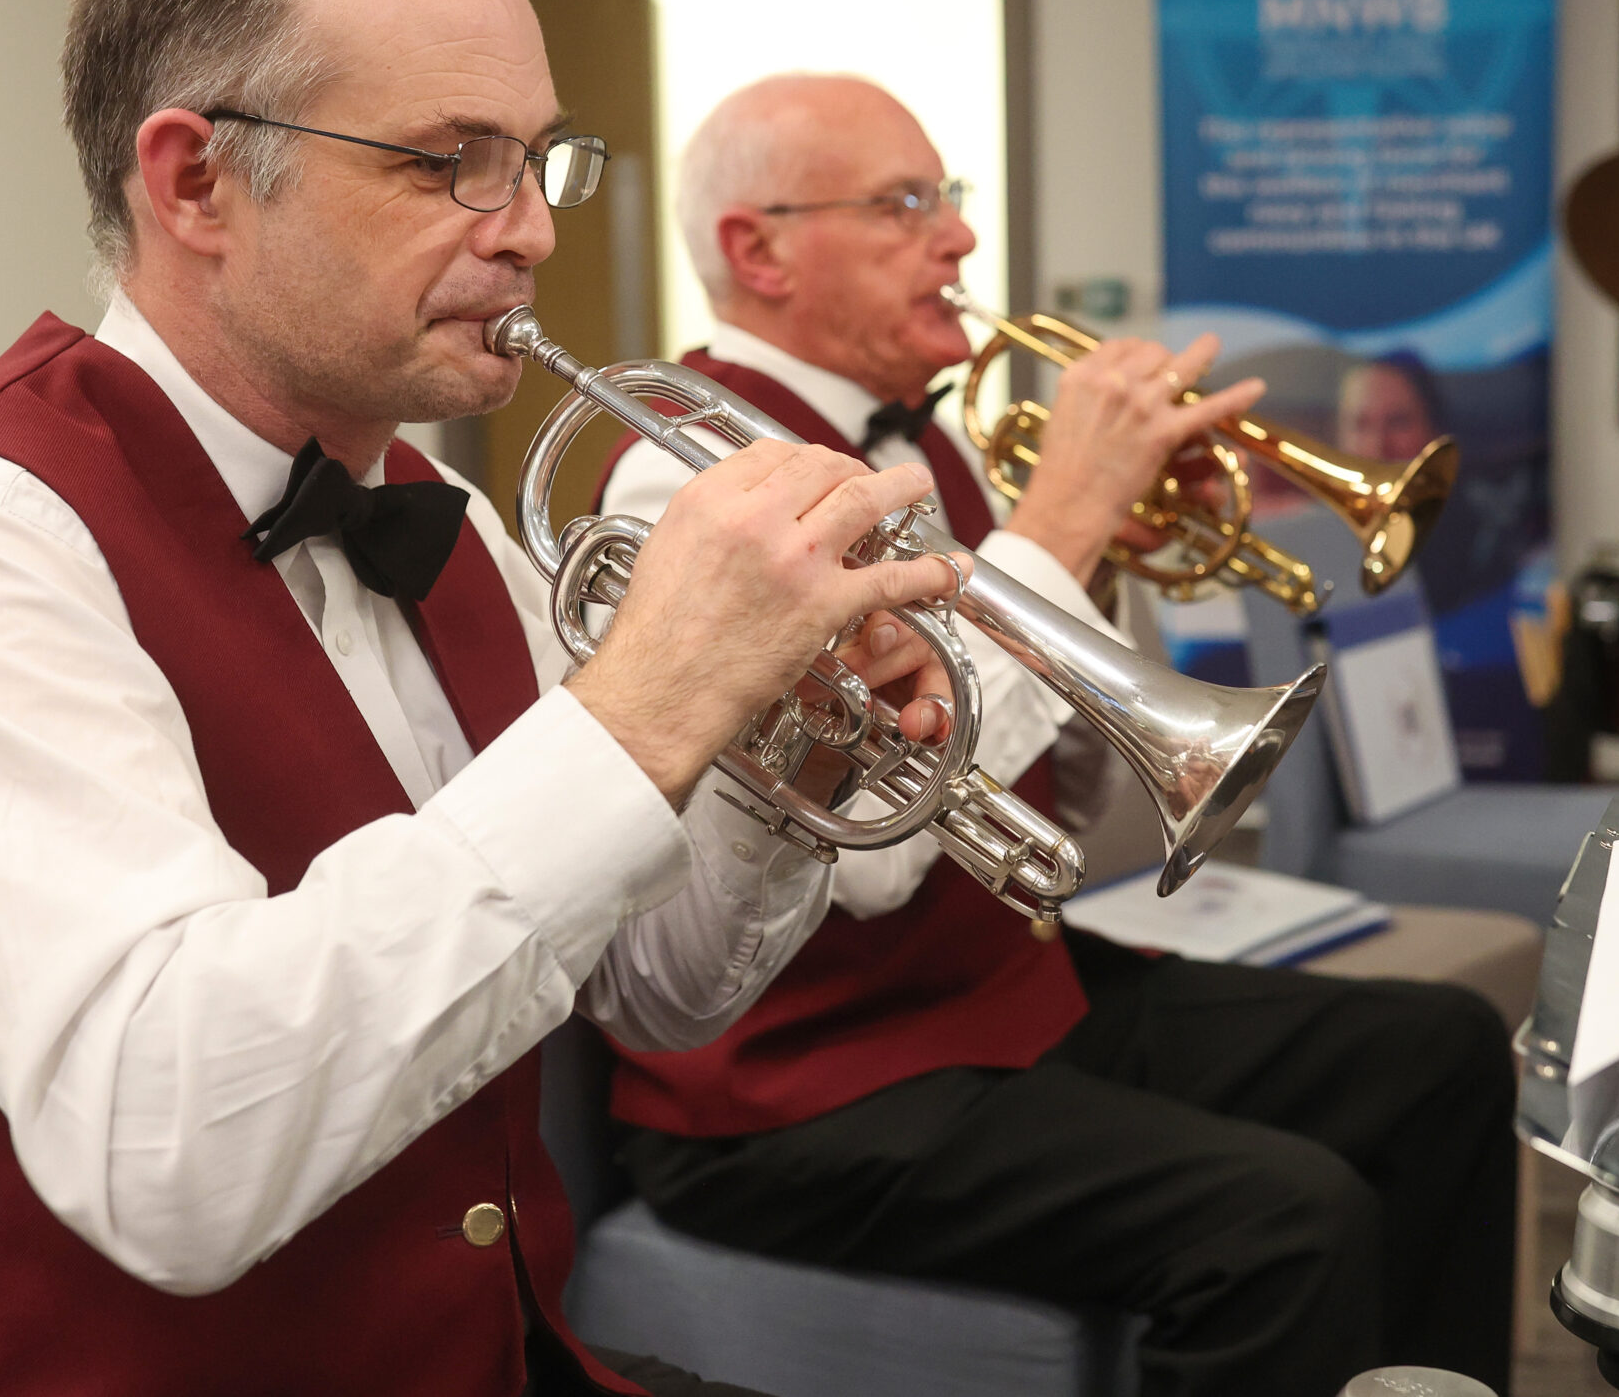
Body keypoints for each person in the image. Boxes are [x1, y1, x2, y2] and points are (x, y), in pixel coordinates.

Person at [0, 0, 967, 1397]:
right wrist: (648, 704)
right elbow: (173, 1153)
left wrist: (784, 753)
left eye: (539, 161)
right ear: (197, 182)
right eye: (454, 162)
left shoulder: (437, 509)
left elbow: (660, 988)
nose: (532, 232)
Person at [596, 72, 1519, 1397]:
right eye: (904, 204)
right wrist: (1063, 522)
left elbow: (1068, 814)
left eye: (949, 196)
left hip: (996, 998)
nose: (960, 236)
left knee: (1442, 1052)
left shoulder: (942, 452)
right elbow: (870, 862)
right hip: (797, 1092)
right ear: (761, 251)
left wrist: (1103, 556)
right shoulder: (683, 476)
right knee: (1286, 1220)